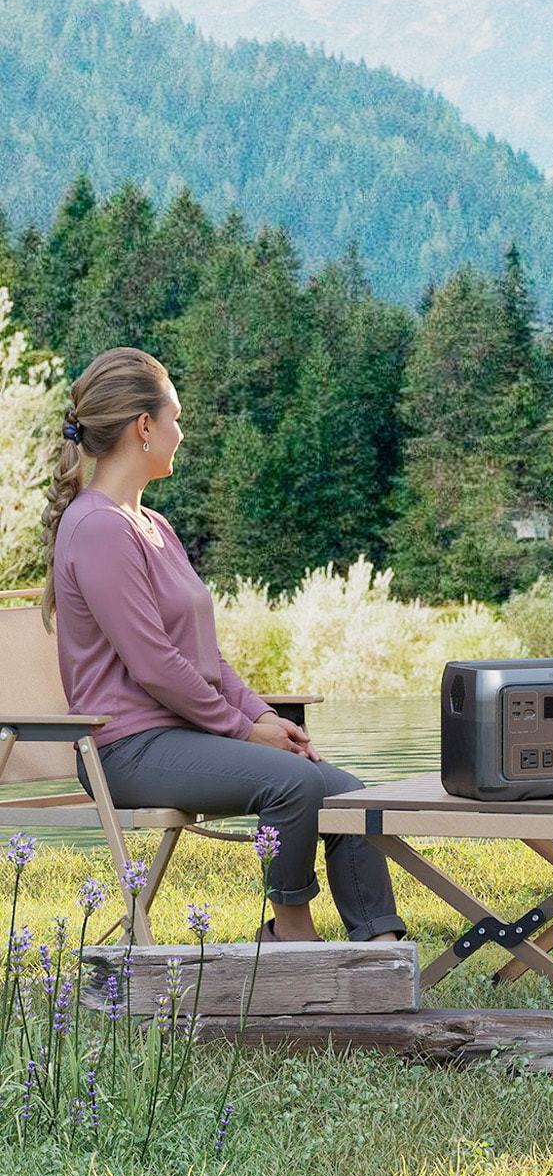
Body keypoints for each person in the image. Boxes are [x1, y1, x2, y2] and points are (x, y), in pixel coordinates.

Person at [42, 348, 404, 944]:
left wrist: (261, 715)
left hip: (182, 734)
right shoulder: (99, 527)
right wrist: (241, 730)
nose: (181, 433)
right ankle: (289, 936)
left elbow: (205, 656)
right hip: (126, 750)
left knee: (345, 791)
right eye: (176, 418)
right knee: (294, 783)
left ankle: (382, 952)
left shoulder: (153, 526)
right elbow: (155, 665)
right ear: (144, 426)